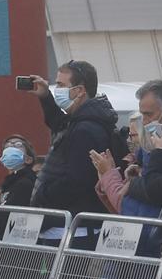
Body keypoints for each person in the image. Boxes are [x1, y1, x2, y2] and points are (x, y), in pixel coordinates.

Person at [23, 60, 117, 218]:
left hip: (73, 222)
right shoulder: (82, 119)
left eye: (60, 85)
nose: (57, 89)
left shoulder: (85, 130)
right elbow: (59, 124)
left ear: (79, 90)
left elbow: (76, 181)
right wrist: (46, 97)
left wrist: (42, 194)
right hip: (69, 219)